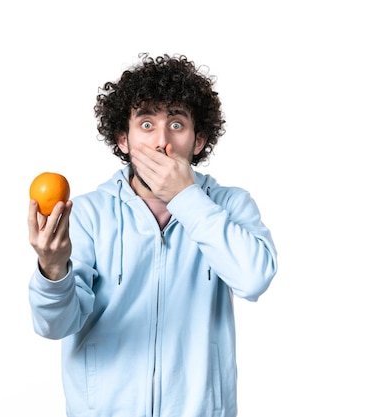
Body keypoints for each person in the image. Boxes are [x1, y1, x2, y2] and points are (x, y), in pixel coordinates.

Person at [27, 53, 278, 417]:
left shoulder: (229, 205)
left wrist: (186, 198)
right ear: (123, 139)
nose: (162, 142)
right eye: (146, 124)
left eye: (176, 124)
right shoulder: (88, 214)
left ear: (199, 140)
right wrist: (52, 270)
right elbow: (55, 325)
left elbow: (254, 279)